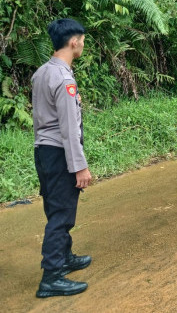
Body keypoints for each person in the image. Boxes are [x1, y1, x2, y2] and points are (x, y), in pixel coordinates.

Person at [32, 19, 92, 298]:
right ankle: (52, 276)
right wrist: (79, 167)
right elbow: (69, 130)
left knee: (55, 206)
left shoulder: (41, 73)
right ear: (73, 42)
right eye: (82, 40)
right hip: (59, 153)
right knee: (61, 214)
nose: (82, 44)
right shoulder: (65, 79)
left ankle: (65, 257)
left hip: (43, 151)